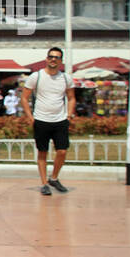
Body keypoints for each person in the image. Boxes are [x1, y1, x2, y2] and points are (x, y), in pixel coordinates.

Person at [22, 46, 76, 195]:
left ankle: (54, 178)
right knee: (42, 152)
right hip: (41, 119)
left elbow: (71, 97)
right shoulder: (36, 76)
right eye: (51, 56)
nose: (53, 59)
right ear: (46, 59)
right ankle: (44, 183)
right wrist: (30, 117)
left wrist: (69, 115)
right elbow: (24, 98)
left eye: (57, 57)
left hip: (60, 120)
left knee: (62, 151)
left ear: (61, 61)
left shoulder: (65, 78)